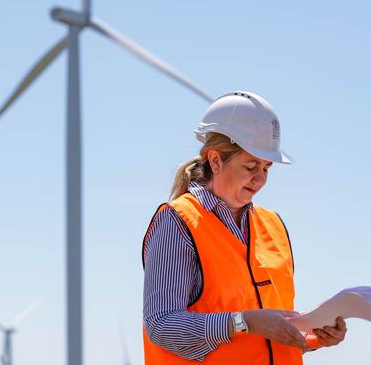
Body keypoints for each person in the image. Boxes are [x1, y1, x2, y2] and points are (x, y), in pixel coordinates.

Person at [142, 91, 347, 364]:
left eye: (266, 168)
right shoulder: (178, 222)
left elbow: (268, 338)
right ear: (215, 160)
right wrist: (243, 322)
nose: (260, 179)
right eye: (250, 166)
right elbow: (161, 324)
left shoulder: (273, 225)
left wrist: (314, 334)